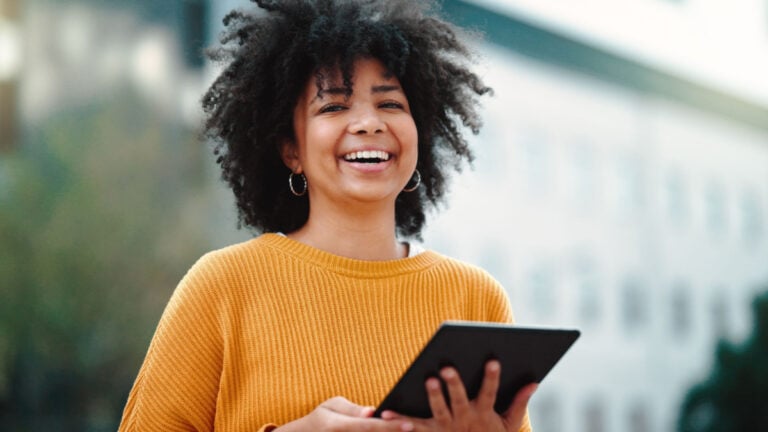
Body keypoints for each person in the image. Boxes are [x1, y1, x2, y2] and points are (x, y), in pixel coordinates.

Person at [118, 0, 537, 431]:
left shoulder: (475, 298)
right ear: (291, 150)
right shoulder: (223, 286)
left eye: (390, 104)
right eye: (334, 107)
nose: (369, 123)